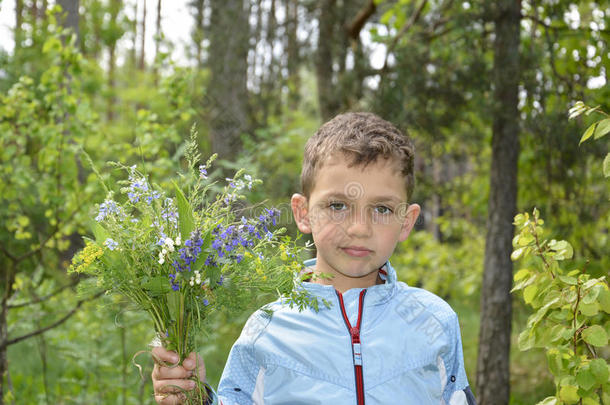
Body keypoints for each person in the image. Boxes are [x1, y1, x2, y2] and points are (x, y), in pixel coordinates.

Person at [152, 112, 477, 405]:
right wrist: (193, 398)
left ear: (406, 221)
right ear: (303, 213)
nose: (359, 228)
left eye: (382, 209)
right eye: (337, 206)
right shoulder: (267, 331)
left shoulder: (434, 322)